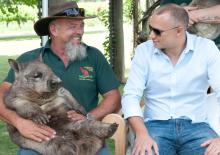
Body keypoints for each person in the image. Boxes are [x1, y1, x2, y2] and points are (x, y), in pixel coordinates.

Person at [0, 1, 121, 155]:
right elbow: (2, 95)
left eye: (81, 25)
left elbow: (113, 97)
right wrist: (19, 122)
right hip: (41, 136)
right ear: (54, 30)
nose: (80, 31)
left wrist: (89, 116)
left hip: (82, 132)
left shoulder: (93, 56)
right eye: (72, 26)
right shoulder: (29, 61)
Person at [122, 4, 220, 155]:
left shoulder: (206, 49)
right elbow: (130, 96)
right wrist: (141, 134)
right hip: (155, 126)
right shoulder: (144, 51)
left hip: (197, 127)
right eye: (150, 28)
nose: (151, 36)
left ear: (179, 30)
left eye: (157, 31)